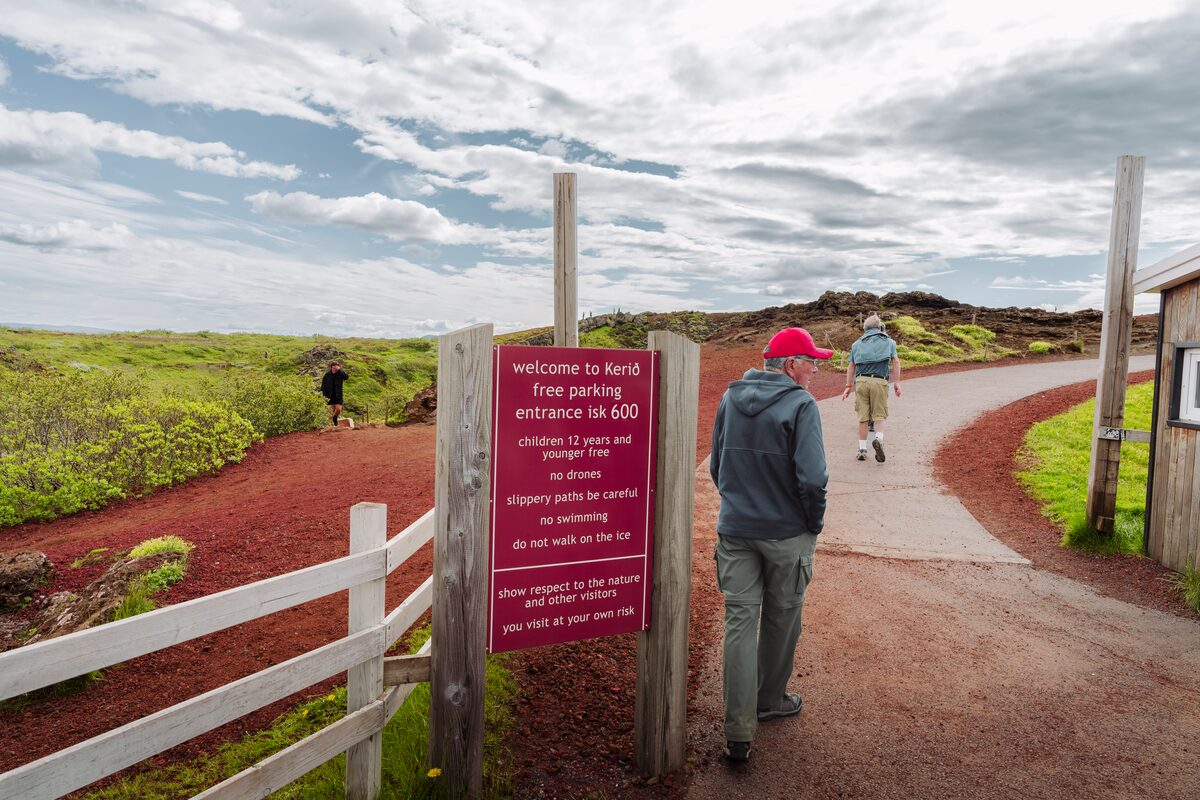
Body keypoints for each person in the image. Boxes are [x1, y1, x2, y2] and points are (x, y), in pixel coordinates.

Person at [709, 326, 831, 763]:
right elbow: (813, 479)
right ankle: (770, 701)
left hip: (736, 529)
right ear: (791, 365)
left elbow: (717, 464)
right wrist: (812, 523)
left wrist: (739, 504)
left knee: (740, 623)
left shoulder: (730, 398)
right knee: (782, 619)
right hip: (785, 534)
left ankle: (739, 731)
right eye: (811, 362)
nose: (815, 370)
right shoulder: (801, 405)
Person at [841, 314, 901, 462]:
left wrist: (848, 386)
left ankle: (862, 450)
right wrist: (897, 383)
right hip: (880, 381)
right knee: (879, 416)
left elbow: (851, 366)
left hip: (861, 382)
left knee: (863, 417)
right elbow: (896, 361)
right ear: (878, 326)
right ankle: (879, 440)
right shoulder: (889, 342)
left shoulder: (856, 344)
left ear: (865, 328)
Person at [320, 361, 349, 427]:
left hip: (338, 395)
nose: (334, 370)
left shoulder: (340, 374)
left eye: (336, 368)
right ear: (331, 367)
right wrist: (323, 395)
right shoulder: (327, 375)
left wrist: (340, 370)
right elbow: (323, 386)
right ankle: (330, 427)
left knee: (338, 410)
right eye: (333, 368)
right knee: (329, 413)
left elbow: (346, 377)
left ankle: (335, 417)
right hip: (329, 396)